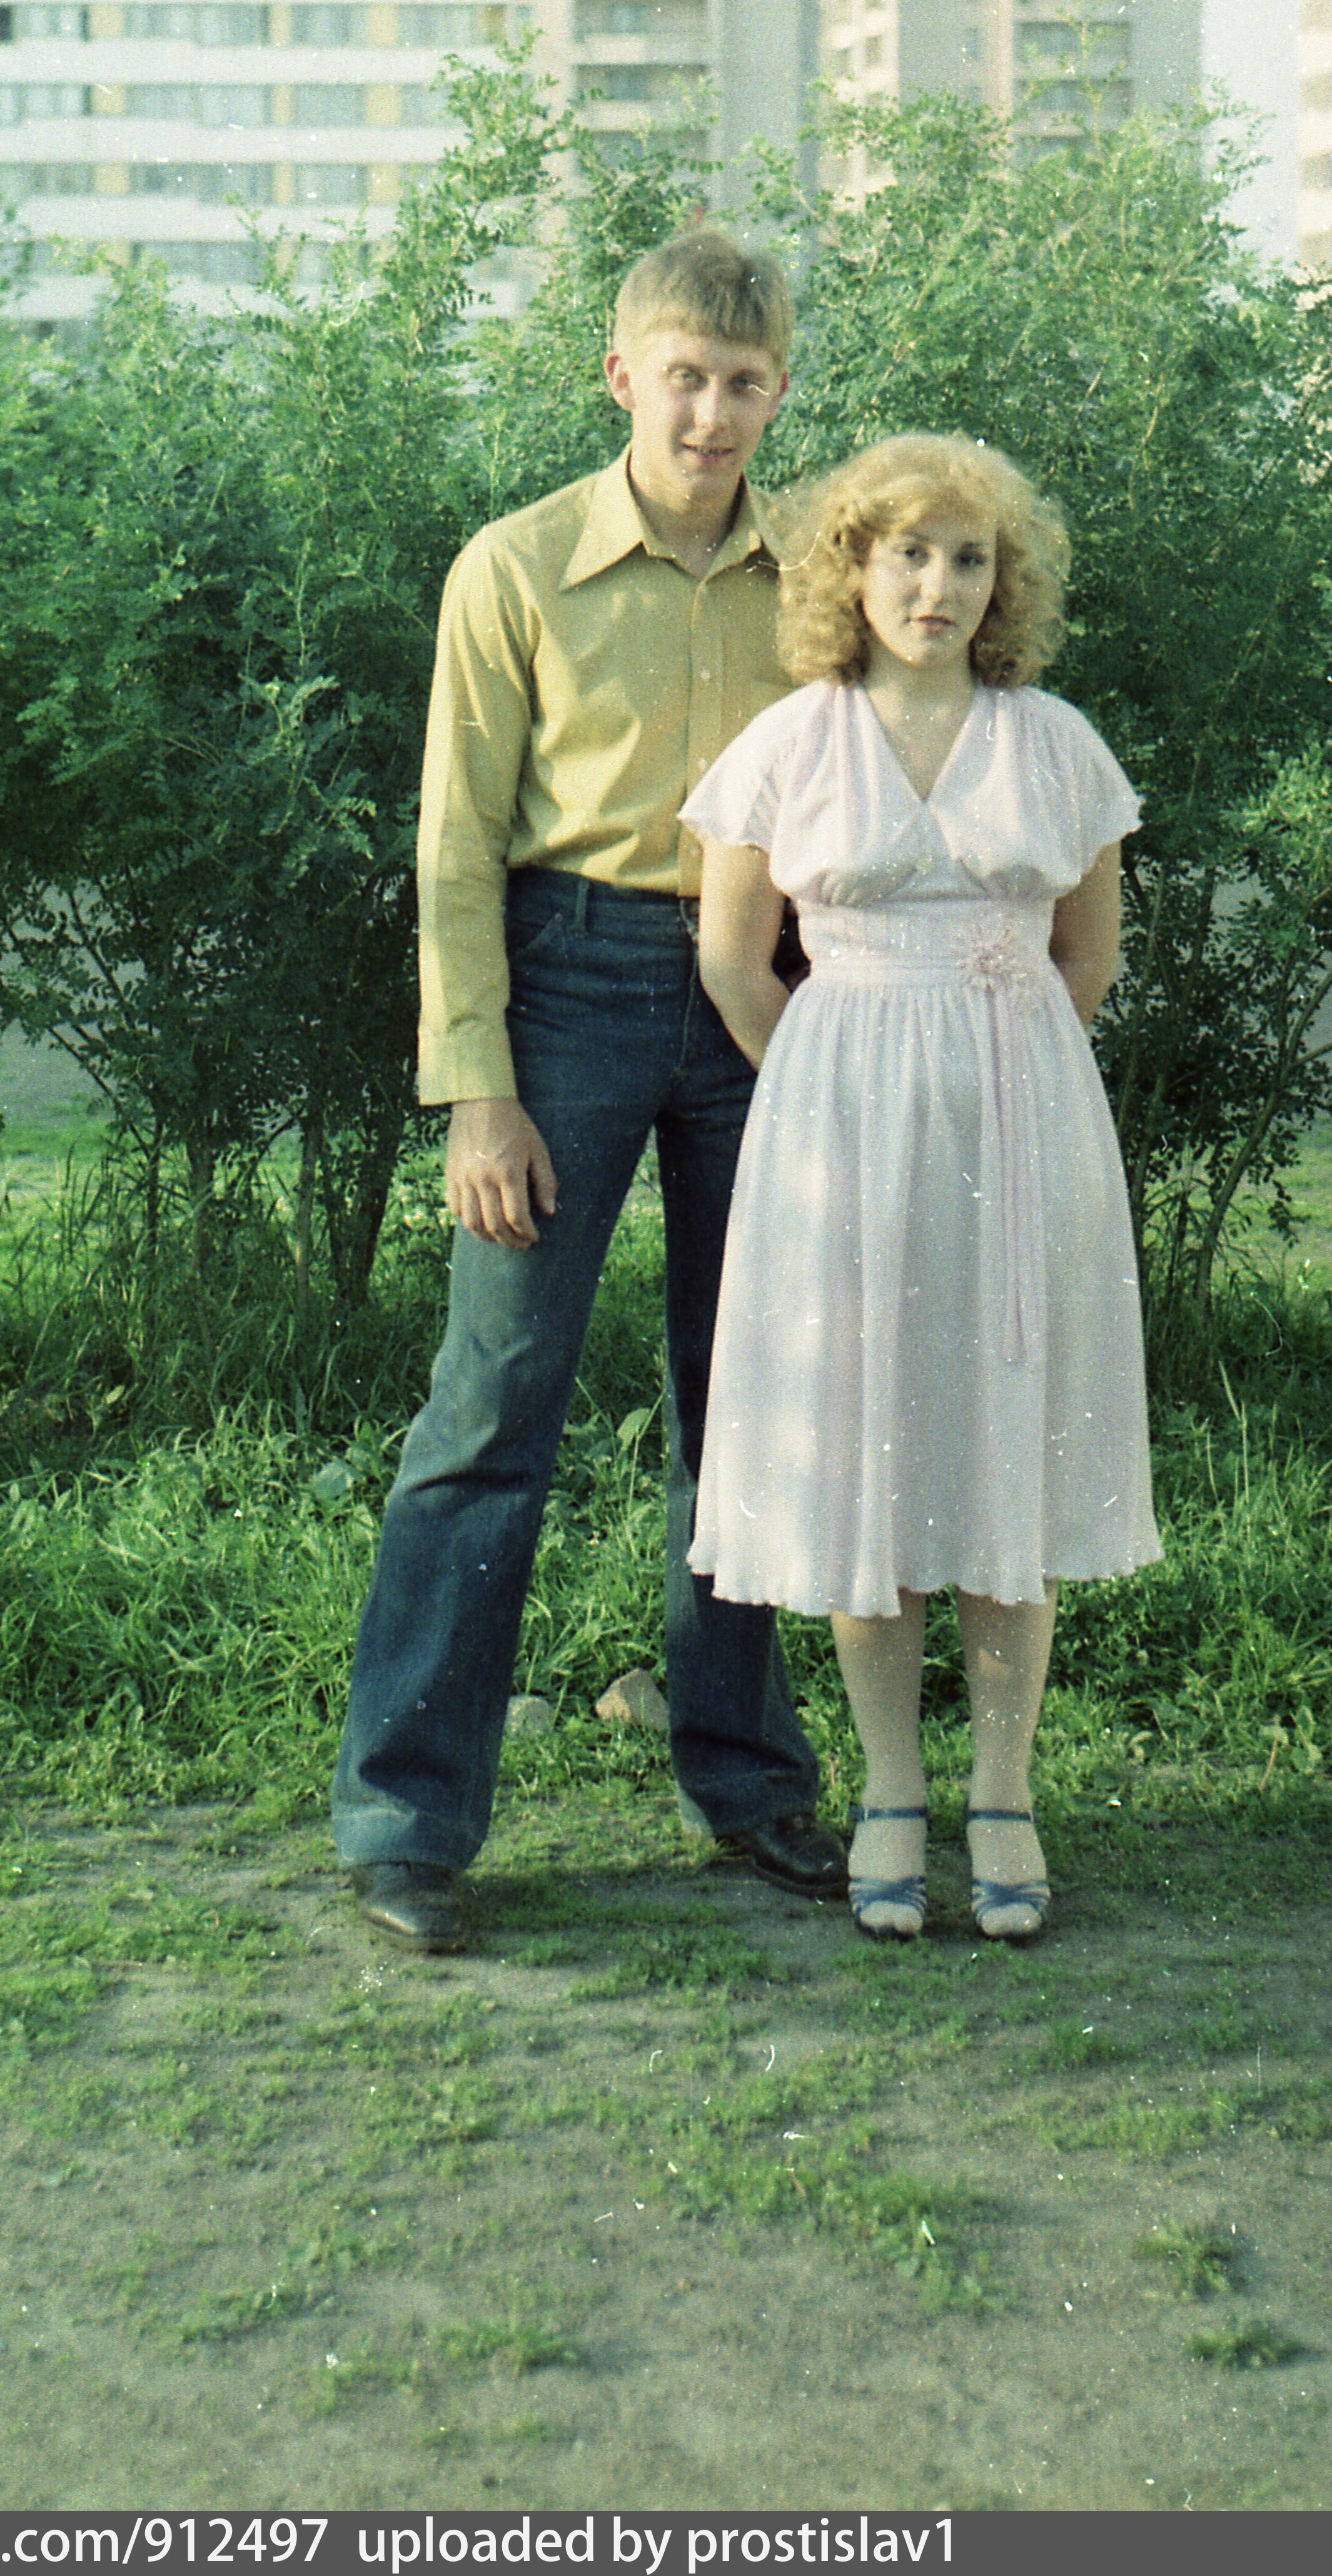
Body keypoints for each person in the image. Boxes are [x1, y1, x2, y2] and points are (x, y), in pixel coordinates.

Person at [331, 228, 848, 1952]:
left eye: (744, 383)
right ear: (624, 374)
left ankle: (747, 1777)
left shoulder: (822, 572)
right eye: (683, 376)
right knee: (493, 1401)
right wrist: (478, 1089)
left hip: (769, 985)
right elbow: (455, 843)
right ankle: (408, 1817)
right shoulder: (518, 566)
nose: (711, 413)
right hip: (568, 982)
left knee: (752, 1396)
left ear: (779, 392)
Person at [680, 432, 1161, 1944]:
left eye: (968, 558)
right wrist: (836, 1086)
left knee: (1006, 1445)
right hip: (839, 1133)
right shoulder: (791, 742)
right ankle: (891, 1787)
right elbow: (733, 961)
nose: (937, 586)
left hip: (1020, 1127)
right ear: (852, 568)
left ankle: (1004, 1792)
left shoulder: (1054, 743)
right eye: (908, 553)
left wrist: (989, 1071)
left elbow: (1087, 957)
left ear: (1002, 582)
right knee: (866, 1451)